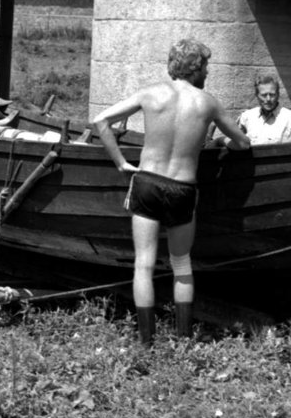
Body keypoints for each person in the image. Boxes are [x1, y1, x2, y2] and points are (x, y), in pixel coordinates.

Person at [92, 39, 250, 346]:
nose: (207, 71)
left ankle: (147, 342)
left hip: (148, 182)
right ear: (195, 67)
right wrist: (223, 144)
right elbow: (243, 142)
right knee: (181, 264)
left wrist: (122, 163)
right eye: (205, 66)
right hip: (183, 188)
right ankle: (182, 341)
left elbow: (101, 121)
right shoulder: (207, 102)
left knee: (144, 265)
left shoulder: (151, 93)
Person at [215, 73, 291, 145]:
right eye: (264, 95)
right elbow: (236, 142)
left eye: (272, 94)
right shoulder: (247, 117)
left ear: (278, 95)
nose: (268, 99)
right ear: (257, 95)